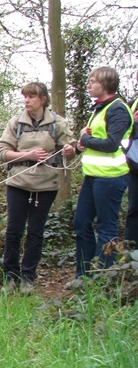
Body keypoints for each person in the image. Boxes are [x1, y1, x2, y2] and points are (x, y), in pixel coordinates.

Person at [0, 82, 76, 295]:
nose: (27, 100)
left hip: (46, 184)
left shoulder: (57, 123)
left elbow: (71, 149)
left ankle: (28, 278)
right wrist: (27, 155)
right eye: (25, 96)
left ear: (43, 99)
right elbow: (2, 152)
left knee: (35, 232)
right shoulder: (16, 123)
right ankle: (10, 277)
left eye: (32, 96)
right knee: (13, 230)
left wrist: (70, 150)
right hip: (18, 182)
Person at [67, 67, 133, 289]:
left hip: (111, 178)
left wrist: (85, 140)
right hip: (93, 177)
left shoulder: (118, 110)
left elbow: (111, 144)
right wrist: (80, 145)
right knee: (81, 223)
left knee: (106, 228)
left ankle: (102, 278)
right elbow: (93, 140)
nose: (88, 85)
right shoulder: (98, 109)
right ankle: (83, 275)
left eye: (92, 81)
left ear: (105, 84)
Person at [124, 97, 138, 244]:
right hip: (135, 166)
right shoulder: (133, 103)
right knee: (134, 209)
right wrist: (132, 123)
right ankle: (131, 249)